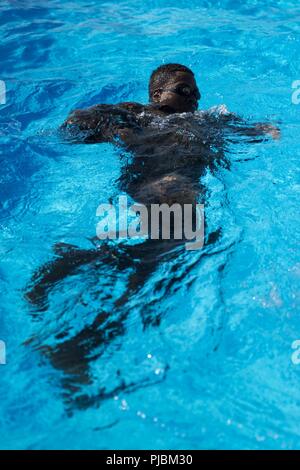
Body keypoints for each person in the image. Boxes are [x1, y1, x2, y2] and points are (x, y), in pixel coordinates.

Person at [24, 64, 279, 409]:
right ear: (158, 95)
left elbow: (249, 129)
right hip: (172, 195)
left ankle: (71, 270)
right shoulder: (137, 113)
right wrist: (116, 126)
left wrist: (262, 129)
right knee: (151, 273)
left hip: (160, 194)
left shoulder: (205, 119)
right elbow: (74, 123)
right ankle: (79, 344)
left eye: (196, 91)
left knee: (146, 262)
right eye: (184, 90)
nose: (195, 98)